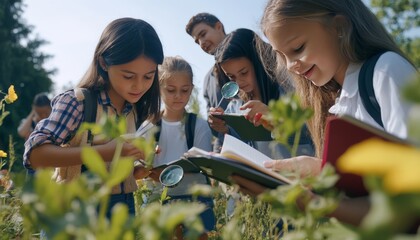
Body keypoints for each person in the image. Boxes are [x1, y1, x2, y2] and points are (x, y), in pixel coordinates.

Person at [232, 0, 418, 227]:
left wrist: (312, 201)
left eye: (298, 48)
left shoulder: (385, 71)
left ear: (339, 27)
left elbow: (410, 196)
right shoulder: (335, 100)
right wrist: (317, 171)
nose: (290, 65)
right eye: (282, 55)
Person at [23, 17, 164, 218]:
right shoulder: (77, 102)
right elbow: (35, 155)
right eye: (128, 76)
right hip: (75, 211)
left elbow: (110, 168)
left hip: (122, 208)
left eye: (148, 76)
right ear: (103, 63)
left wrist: (136, 170)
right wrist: (102, 153)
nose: (139, 86)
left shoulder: (132, 110)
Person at [137, 56, 215, 238]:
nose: (178, 96)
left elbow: (202, 166)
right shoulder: (148, 125)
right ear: (158, 89)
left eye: (184, 90)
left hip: (194, 198)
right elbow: (137, 165)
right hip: (158, 199)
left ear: (191, 90)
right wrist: (141, 169)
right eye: (171, 90)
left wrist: (167, 172)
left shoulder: (199, 126)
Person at [209, 28, 314, 159]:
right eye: (231, 77)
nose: (239, 82)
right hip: (264, 177)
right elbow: (245, 150)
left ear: (258, 61)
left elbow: (313, 134)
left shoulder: (291, 89)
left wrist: (275, 119)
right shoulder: (236, 106)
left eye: (244, 73)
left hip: (301, 174)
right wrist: (226, 130)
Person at [186, 12, 229, 152]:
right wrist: (214, 124)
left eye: (203, 34)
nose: (201, 43)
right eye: (197, 41)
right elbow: (214, 130)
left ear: (218, 26)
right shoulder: (207, 80)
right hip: (226, 153)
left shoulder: (256, 56)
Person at [18, 93, 52, 176]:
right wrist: (32, 113)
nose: (43, 116)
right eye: (40, 113)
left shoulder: (53, 123)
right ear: (35, 109)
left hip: (51, 164)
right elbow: (22, 132)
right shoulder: (30, 124)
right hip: (34, 167)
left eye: (46, 113)